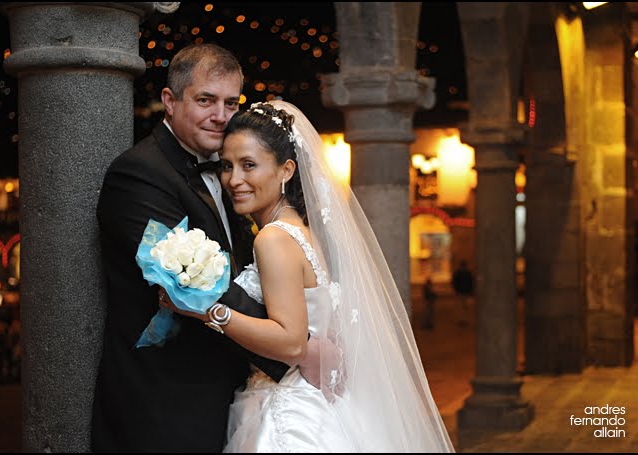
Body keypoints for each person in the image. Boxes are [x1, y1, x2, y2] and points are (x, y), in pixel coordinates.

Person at [161, 101, 454, 452]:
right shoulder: (302, 232)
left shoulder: (273, 239)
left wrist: (205, 310)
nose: (234, 180)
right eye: (227, 165)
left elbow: (292, 342)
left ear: (286, 170)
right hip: (316, 400)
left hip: (289, 410)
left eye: (249, 165)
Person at [91, 44, 299, 452]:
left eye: (230, 103)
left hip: (230, 393)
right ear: (170, 101)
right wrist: (291, 347)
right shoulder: (139, 175)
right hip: (166, 401)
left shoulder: (230, 172)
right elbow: (199, 285)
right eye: (206, 100)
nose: (221, 115)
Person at [451, 260, 474, 325]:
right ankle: (461, 319)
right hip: (461, 292)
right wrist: (456, 289)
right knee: (461, 306)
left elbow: (471, 283)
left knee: (465, 306)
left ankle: (464, 319)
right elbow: (454, 282)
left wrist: (470, 291)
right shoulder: (459, 273)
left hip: (464, 292)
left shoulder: (467, 273)